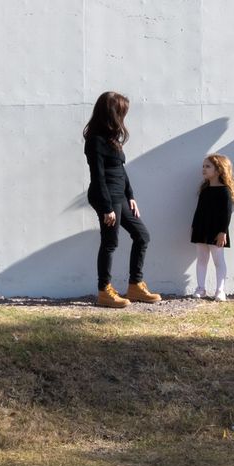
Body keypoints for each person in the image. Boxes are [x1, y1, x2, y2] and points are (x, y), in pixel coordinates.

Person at [84, 91, 161, 307]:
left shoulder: (112, 139)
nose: (123, 117)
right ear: (111, 113)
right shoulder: (95, 141)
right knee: (110, 243)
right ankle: (104, 291)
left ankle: (135, 286)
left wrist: (131, 196)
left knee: (142, 235)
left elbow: (121, 170)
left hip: (120, 196)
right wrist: (106, 207)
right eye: (121, 112)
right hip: (106, 197)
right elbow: (98, 177)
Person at [191, 153, 234, 301]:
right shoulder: (204, 190)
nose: (203, 169)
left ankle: (220, 290)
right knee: (201, 259)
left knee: (218, 261)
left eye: (208, 166)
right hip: (201, 229)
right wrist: (194, 226)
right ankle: (201, 288)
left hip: (217, 231)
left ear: (218, 170)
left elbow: (227, 213)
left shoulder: (225, 191)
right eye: (203, 166)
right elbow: (199, 210)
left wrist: (223, 232)